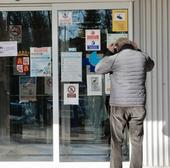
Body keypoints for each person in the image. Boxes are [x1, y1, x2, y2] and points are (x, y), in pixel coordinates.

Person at [95, 37, 154, 168]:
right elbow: (150, 66)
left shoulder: (114, 58)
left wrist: (109, 52)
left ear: (117, 47)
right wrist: (138, 50)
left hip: (118, 106)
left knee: (116, 141)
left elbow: (98, 68)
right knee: (136, 140)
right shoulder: (142, 56)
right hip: (138, 105)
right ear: (132, 46)